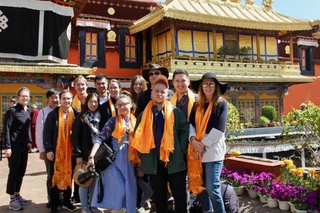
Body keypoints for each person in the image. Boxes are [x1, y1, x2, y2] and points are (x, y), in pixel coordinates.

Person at [130, 75, 189, 213]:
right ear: (151, 93)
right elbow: (137, 137)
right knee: (159, 197)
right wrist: (142, 159)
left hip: (175, 161)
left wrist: (180, 150)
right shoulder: (143, 115)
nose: (159, 94)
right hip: (154, 162)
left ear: (168, 94)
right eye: (156, 91)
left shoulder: (176, 112)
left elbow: (184, 132)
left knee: (179, 196)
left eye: (163, 92)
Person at [87, 93, 137, 213]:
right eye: (119, 105)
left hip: (132, 158)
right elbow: (100, 138)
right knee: (118, 189)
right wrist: (92, 156)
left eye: (125, 104)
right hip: (115, 158)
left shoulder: (138, 121)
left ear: (131, 105)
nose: (122, 107)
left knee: (130, 188)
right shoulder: (113, 120)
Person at [188, 72, 228, 213]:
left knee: (212, 188)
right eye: (205, 83)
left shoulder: (221, 103)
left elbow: (219, 129)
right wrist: (193, 140)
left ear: (216, 86)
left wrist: (201, 145)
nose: (208, 86)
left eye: (211, 83)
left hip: (213, 152)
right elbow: (191, 124)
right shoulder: (197, 104)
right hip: (197, 150)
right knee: (201, 187)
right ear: (201, 86)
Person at [43, 90, 79, 213]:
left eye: (69, 99)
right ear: (60, 99)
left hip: (71, 152)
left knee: (69, 175)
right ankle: (54, 203)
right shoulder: (53, 115)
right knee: (55, 176)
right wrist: (48, 149)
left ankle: (67, 201)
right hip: (56, 152)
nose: (66, 101)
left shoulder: (76, 114)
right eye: (64, 98)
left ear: (72, 100)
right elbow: (47, 133)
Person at [72, 93, 103, 213]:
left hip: (98, 154)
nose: (93, 104)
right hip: (85, 154)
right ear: (86, 103)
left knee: (95, 180)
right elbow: (75, 137)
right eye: (91, 102)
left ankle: (93, 205)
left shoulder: (101, 117)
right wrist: (78, 154)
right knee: (84, 180)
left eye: (95, 102)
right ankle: (84, 206)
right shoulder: (81, 118)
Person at [3, 87, 32, 211]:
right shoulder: (12, 111)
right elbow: (7, 129)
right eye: (23, 96)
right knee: (14, 172)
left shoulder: (27, 110)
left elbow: (28, 128)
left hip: (23, 146)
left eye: (27, 96)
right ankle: (12, 199)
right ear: (18, 97)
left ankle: (17, 194)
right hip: (14, 146)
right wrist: (7, 147)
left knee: (21, 171)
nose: (25, 98)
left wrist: (30, 141)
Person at [35, 89, 60, 208]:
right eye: (52, 98)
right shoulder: (43, 112)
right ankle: (51, 198)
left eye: (57, 97)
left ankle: (60, 197)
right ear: (47, 99)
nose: (55, 100)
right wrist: (42, 150)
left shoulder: (62, 111)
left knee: (62, 173)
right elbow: (39, 132)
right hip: (49, 149)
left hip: (62, 149)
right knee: (51, 174)